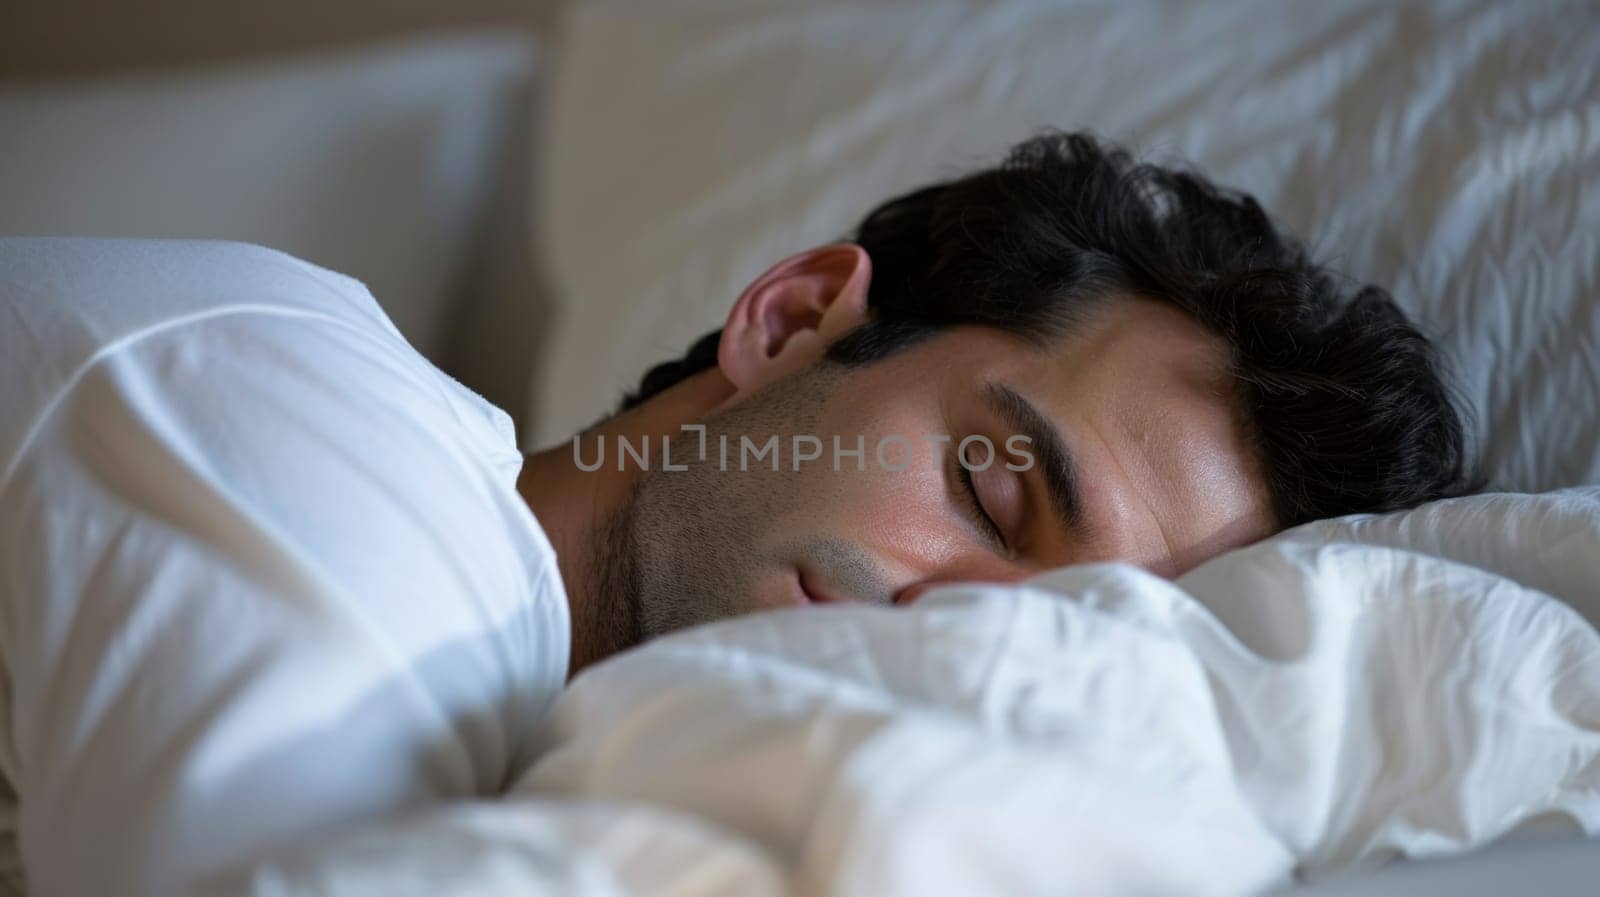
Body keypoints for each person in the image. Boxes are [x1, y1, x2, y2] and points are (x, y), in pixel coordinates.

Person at [0, 131, 1473, 896]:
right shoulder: (306, 422)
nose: (962, 625)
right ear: (795, 318)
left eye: (1070, 619)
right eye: (993, 484)